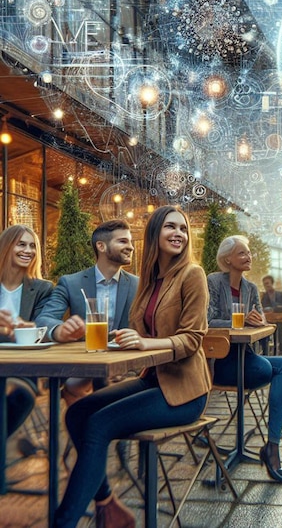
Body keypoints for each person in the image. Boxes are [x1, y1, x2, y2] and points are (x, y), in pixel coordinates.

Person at [53, 205, 210, 528]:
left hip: (183, 392)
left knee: (99, 425)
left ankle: (63, 522)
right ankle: (107, 504)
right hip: (152, 380)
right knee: (78, 413)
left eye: (183, 228)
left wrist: (144, 343)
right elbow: (140, 330)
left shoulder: (192, 274)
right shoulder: (149, 281)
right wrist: (124, 337)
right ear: (154, 233)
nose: (178, 233)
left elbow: (192, 339)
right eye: (170, 227)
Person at [207, 235, 282, 484]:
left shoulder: (251, 288)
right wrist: (240, 321)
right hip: (223, 363)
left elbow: (262, 321)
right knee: (270, 367)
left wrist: (259, 321)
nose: (249, 257)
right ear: (228, 259)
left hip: (247, 358)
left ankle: (272, 446)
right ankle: (269, 451)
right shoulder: (213, 281)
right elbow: (207, 320)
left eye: (249, 253)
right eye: (242, 253)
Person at [35, 219, 138, 404]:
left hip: (127, 367)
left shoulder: (140, 285)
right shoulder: (71, 282)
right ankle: (83, 431)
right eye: (123, 241)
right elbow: (43, 319)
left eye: (130, 242)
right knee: (76, 386)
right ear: (101, 246)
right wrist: (60, 330)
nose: (130, 247)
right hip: (84, 365)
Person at [0, 225, 53, 446]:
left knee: (21, 396)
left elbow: (45, 327)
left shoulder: (43, 289)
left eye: (32, 246)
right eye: (21, 244)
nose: (28, 250)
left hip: (22, 369)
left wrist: (23, 327)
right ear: (6, 246)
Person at [261, 274, 282, 351]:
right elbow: (262, 308)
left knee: (279, 326)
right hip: (269, 320)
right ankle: (271, 349)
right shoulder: (264, 296)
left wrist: (274, 308)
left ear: (272, 283)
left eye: (268, 283)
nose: (266, 286)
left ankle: (281, 348)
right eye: (265, 284)